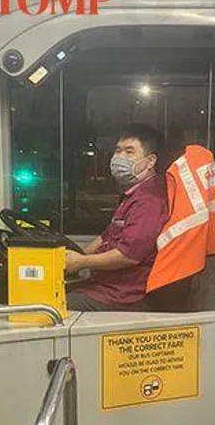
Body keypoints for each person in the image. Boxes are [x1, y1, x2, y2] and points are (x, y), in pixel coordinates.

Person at [65, 124, 168, 311]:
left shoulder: (150, 200)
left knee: (51, 307)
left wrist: (80, 262)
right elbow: (105, 237)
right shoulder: (133, 194)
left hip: (123, 295)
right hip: (105, 286)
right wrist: (76, 257)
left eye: (129, 152)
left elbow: (128, 256)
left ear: (151, 161)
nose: (120, 157)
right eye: (118, 151)